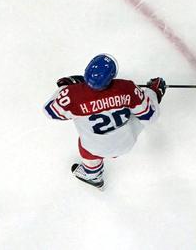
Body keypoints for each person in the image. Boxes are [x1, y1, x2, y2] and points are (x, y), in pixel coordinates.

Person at [44, 54, 167, 189]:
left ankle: (93, 175)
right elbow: (151, 116)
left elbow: (50, 112)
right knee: (138, 112)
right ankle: (95, 170)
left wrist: (64, 89)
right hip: (126, 141)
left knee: (87, 142)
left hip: (94, 148)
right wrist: (153, 92)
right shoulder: (127, 88)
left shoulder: (72, 95)